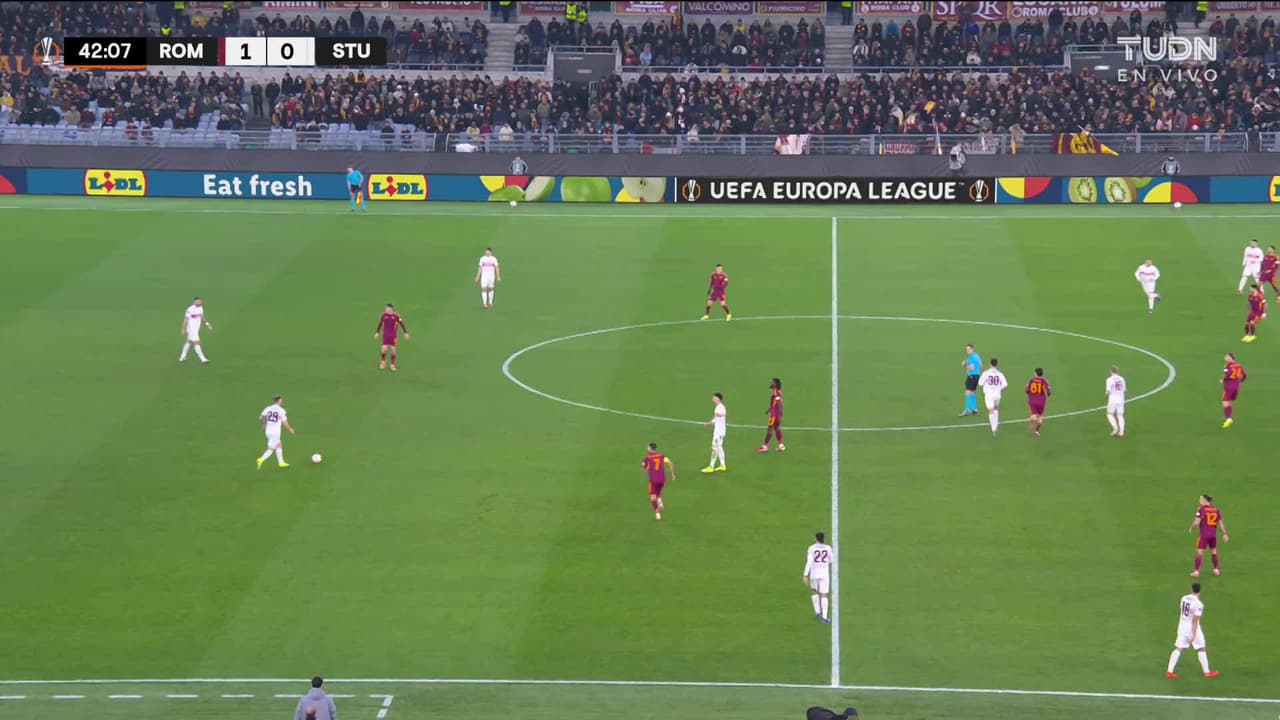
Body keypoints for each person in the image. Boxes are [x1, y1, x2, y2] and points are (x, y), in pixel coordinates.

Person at [1165, 583, 1220, 679]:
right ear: (1200, 591)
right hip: (1192, 627)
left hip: (1182, 626)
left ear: (1191, 589)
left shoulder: (1184, 598)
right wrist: (1193, 634)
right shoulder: (1199, 604)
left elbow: (1181, 611)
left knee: (1178, 648)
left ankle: (1169, 671)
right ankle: (1206, 672)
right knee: (1201, 648)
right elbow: (1195, 621)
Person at [1189, 494, 1230, 578]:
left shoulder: (1201, 510)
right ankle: (1216, 570)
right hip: (1213, 535)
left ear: (1205, 500)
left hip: (1204, 535)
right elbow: (1220, 523)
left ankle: (1196, 572)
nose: (1200, 500)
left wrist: (1192, 527)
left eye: (1201, 499)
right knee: (1214, 551)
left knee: (1199, 553)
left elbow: (1196, 523)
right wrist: (1224, 533)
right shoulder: (1216, 510)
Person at [257, 394, 295, 469]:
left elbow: (261, 417)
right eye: (281, 399)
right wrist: (290, 429)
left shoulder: (268, 408)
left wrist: (263, 425)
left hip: (268, 431)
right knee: (271, 448)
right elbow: (284, 422)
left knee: (279, 444)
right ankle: (261, 459)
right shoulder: (281, 410)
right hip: (275, 432)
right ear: (279, 400)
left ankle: (281, 462)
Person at [803, 531, 833, 624]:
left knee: (814, 591)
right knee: (824, 594)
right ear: (824, 539)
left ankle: (817, 611)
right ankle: (824, 617)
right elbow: (831, 560)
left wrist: (805, 574)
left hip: (814, 573)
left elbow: (809, 561)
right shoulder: (828, 548)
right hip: (824, 574)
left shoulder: (811, 548)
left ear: (816, 539)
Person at [642, 442, 674, 520]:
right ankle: (659, 501)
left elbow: (644, 468)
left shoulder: (648, 458)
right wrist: (673, 474)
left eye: (648, 447)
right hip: (662, 479)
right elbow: (670, 463)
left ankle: (657, 513)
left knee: (653, 496)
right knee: (658, 491)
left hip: (653, 480)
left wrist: (646, 469)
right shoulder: (662, 456)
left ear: (650, 448)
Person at [374, 303, 409, 371]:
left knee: (393, 351)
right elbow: (380, 324)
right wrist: (377, 333)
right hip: (385, 335)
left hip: (393, 336)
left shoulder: (396, 316)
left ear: (391, 309)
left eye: (387, 309)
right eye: (385, 308)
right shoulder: (383, 315)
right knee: (383, 350)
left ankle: (392, 364)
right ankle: (383, 362)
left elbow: (402, 324)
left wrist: (405, 333)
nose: (385, 310)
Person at [978, 358, 1007, 436]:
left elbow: (980, 384)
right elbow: (1005, 385)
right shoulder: (1000, 374)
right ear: (997, 364)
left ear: (990, 364)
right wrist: (999, 389)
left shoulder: (985, 373)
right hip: (997, 394)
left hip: (989, 394)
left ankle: (993, 428)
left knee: (991, 411)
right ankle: (996, 424)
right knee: (996, 408)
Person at [179, 296, 212, 364]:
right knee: (197, 342)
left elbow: (202, 317)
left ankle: (182, 357)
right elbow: (185, 320)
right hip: (191, 329)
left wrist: (207, 324)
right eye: (197, 301)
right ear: (194, 302)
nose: (199, 302)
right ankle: (203, 359)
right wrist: (183, 329)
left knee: (189, 342)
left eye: (200, 301)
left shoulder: (201, 308)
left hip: (196, 329)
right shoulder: (190, 309)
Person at [757, 378, 785, 452]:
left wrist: (780, 412)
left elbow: (779, 402)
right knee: (777, 428)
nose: (770, 383)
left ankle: (765, 446)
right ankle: (781, 445)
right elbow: (775, 403)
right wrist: (769, 410)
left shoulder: (776, 392)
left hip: (774, 415)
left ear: (775, 384)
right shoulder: (777, 391)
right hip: (776, 414)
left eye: (772, 382)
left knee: (770, 429)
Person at [702, 392, 727, 473]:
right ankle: (723, 465)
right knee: (719, 447)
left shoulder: (720, 407)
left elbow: (722, 414)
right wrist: (709, 423)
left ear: (718, 399)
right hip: (721, 431)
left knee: (715, 448)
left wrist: (718, 414)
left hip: (718, 432)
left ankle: (711, 467)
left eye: (714, 397)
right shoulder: (718, 407)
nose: (712, 398)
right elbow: (716, 419)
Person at [1221, 352, 1246, 428]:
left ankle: (1228, 419)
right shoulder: (1239, 365)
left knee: (1225, 403)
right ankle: (1229, 418)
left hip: (1229, 387)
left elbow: (1228, 375)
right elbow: (1245, 375)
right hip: (1236, 387)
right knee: (1230, 403)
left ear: (1231, 358)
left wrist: (1223, 380)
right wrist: (1241, 381)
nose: (1225, 358)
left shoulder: (1227, 366)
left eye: (1227, 356)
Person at [1025, 367, 1052, 436]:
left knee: (1034, 414)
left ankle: (1033, 418)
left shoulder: (1031, 380)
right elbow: (1049, 391)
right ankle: (1037, 431)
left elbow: (1026, 390)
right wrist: (1048, 395)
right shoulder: (1044, 381)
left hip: (1032, 400)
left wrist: (1030, 392)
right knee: (1040, 416)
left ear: (1035, 373)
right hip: (1041, 401)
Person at [1105, 366, 1126, 437]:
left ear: (1111, 372)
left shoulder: (1109, 379)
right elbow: (1124, 390)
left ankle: (1115, 428)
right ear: (1117, 371)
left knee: (1109, 414)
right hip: (1121, 399)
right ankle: (1121, 432)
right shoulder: (1122, 379)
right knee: (1120, 415)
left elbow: (1108, 391)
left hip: (1113, 399)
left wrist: (1106, 394)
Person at [960, 344, 981, 415]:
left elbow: (972, 368)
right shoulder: (977, 355)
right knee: (971, 392)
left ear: (973, 349)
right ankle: (975, 409)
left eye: (968, 349)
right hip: (977, 376)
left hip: (972, 376)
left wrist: (964, 365)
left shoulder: (971, 357)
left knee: (967, 392)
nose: (967, 351)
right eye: (966, 349)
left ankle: (967, 410)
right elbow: (981, 365)